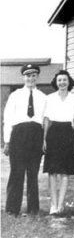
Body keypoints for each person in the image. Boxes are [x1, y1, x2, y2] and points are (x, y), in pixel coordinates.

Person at [3, 64, 47, 216]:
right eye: (28, 75)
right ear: (24, 77)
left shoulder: (43, 97)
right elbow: (8, 118)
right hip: (19, 134)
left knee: (33, 173)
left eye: (34, 75)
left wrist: (44, 140)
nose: (31, 78)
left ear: (37, 77)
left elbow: (45, 120)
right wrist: (7, 141)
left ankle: (33, 209)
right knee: (17, 172)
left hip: (36, 134)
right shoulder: (15, 95)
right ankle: (12, 209)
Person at [42, 70, 74, 215]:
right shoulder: (49, 98)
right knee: (52, 171)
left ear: (69, 82)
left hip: (67, 133)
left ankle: (60, 204)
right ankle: (53, 205)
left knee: (65, 171)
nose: (62, 83)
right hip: (53, 132)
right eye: (59, 80)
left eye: (64, 80)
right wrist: (44, 139)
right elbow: (46, 120)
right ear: (56, 82)